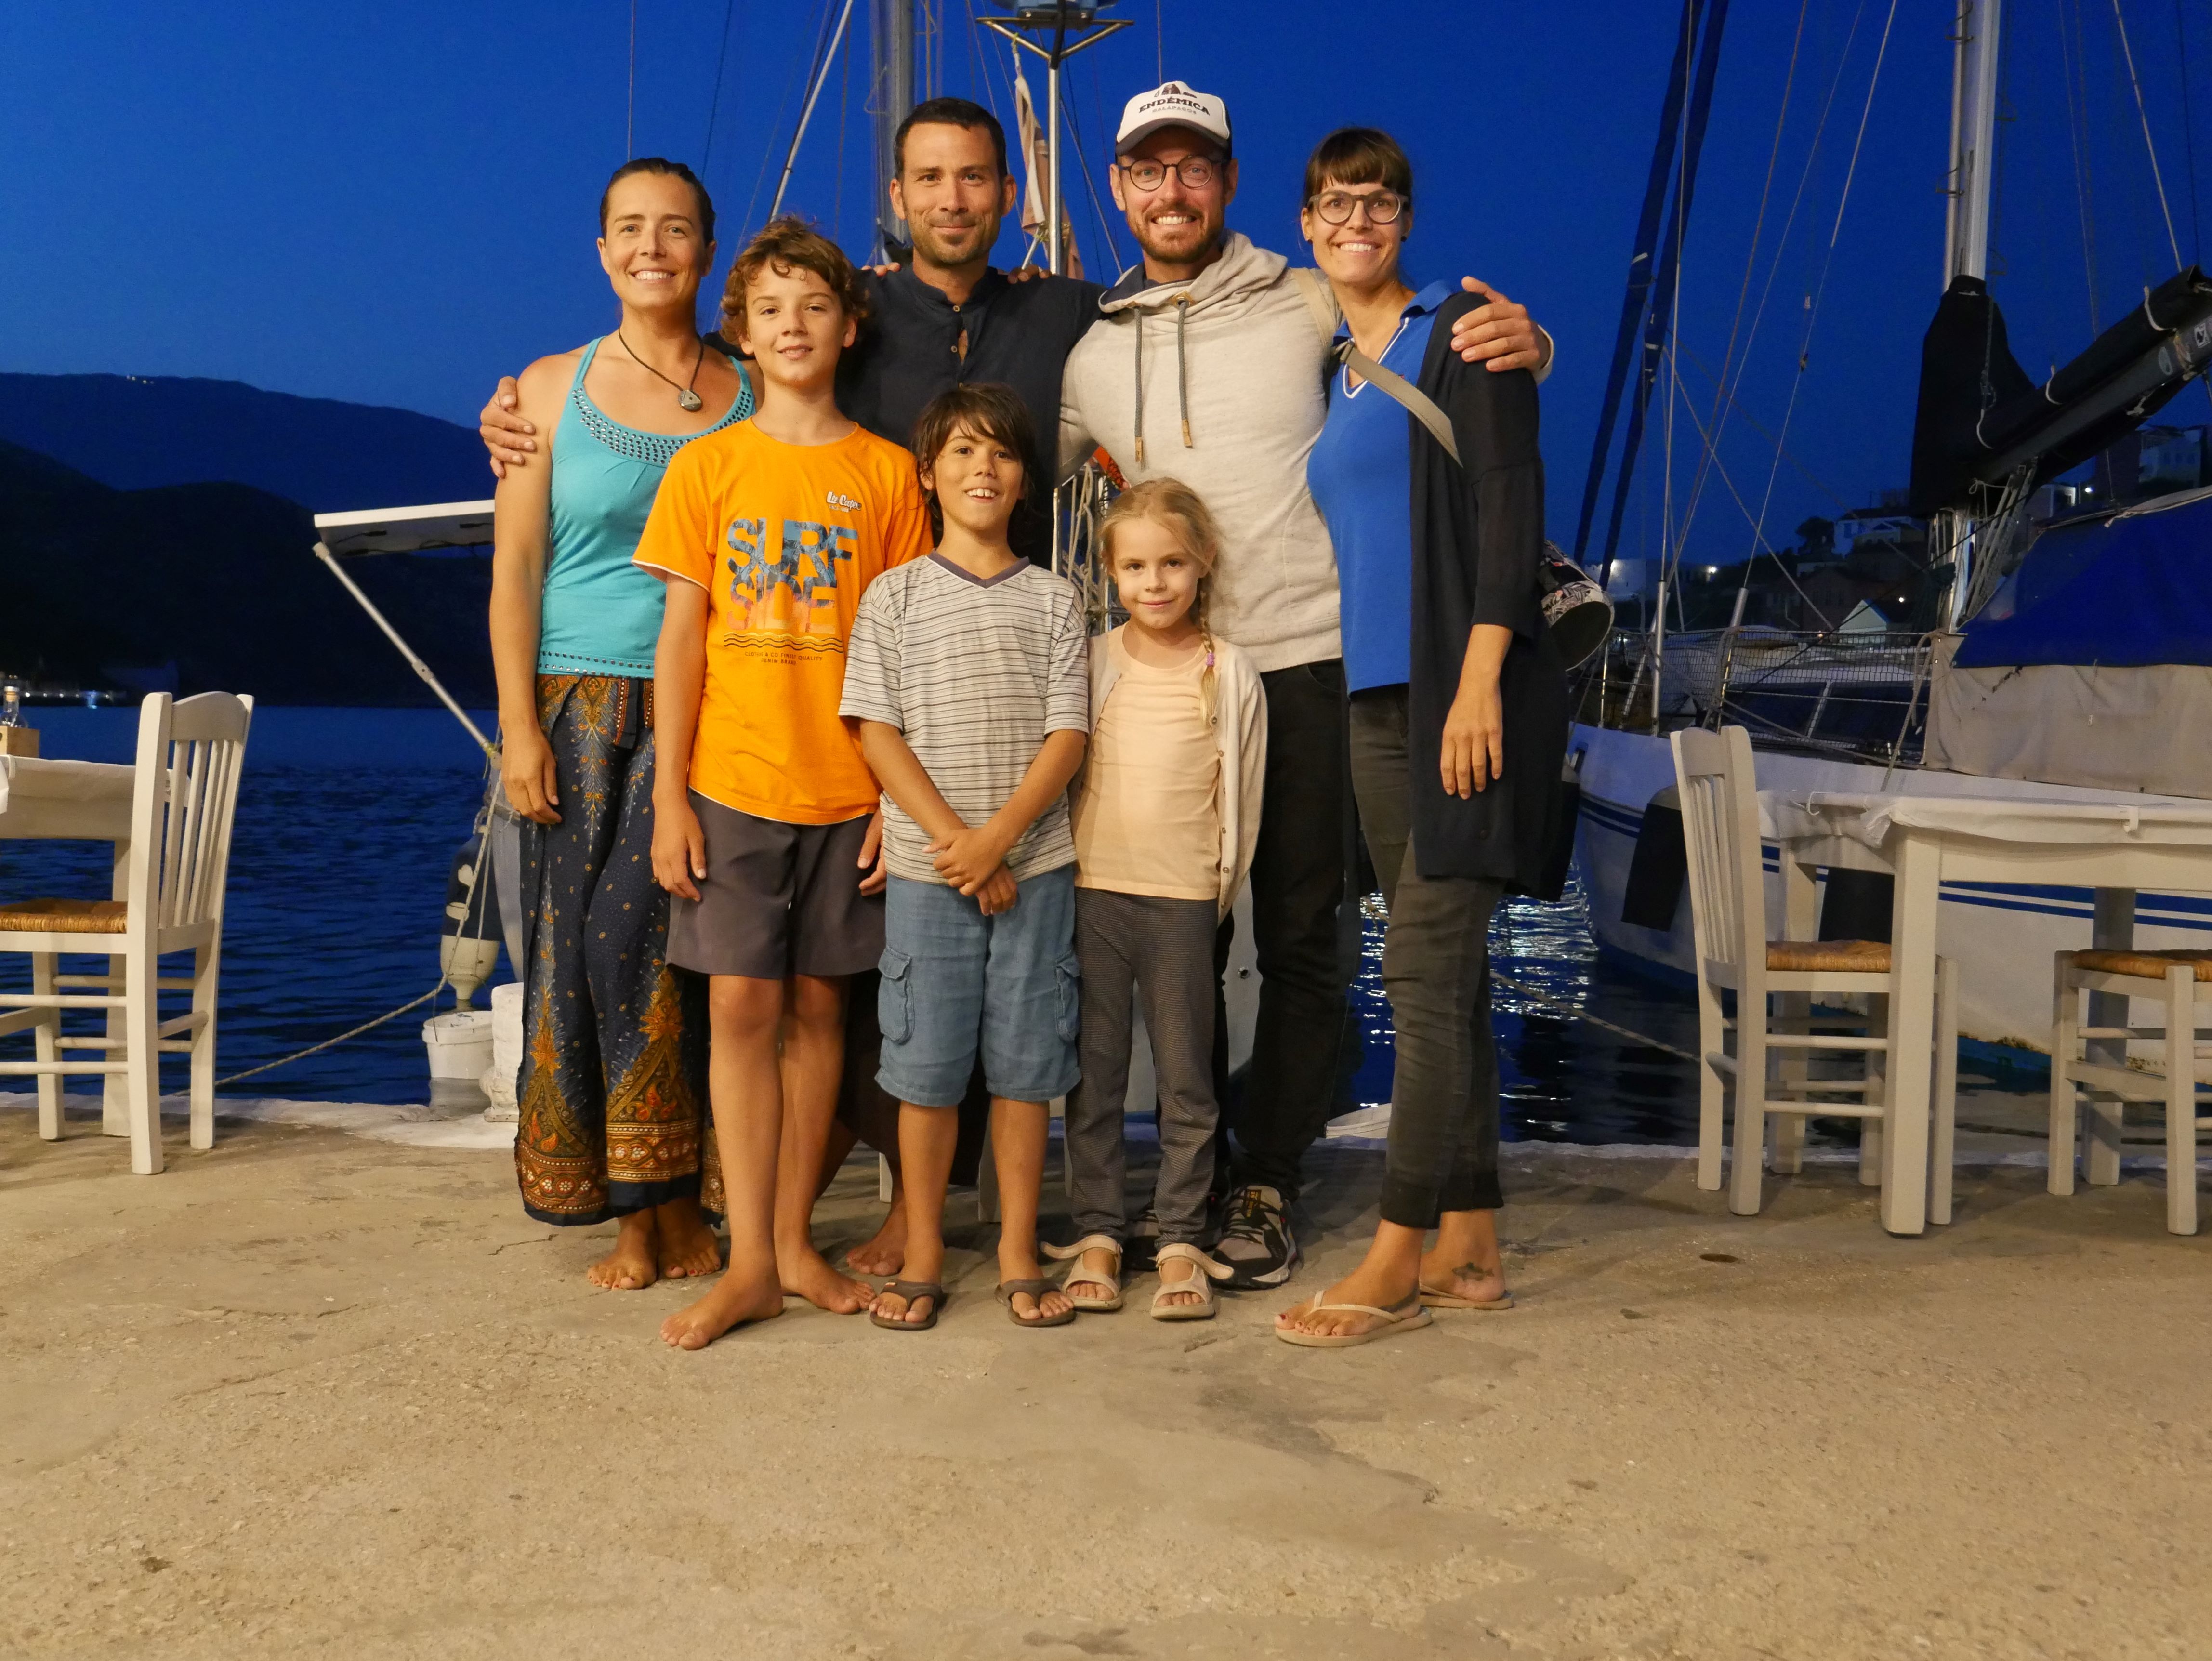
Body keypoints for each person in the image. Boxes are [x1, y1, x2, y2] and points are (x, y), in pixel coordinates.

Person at [1057, 81, 1554, 1293]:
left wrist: (1533, 344)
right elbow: (991, 464)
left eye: (1194, 167)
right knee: (1183, 938)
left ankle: (1266, 1177)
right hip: (1177, 680)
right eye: (1147, 169)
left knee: (1303, 942)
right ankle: (1177, 1183)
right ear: (1119, 187)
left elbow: (1431, 336)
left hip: (1317, 663)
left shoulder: (1303, 297)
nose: (1171, 190)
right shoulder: (1088, 352)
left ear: (1229, 184)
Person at [1276, 129, 1567, 1346]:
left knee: (1417, 969)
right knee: (1447, 974)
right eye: (1337, 202)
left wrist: (1481, 680)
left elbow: (1509, 499)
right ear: (1306, 223)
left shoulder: (1463, 331)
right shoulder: (1339, 367)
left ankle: (1396, 1252)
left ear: (1406, 217)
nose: (1359, 219)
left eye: (1381, 200)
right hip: (1376, 702)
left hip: (1461, 693)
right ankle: (1474, 1244)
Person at [632, 217, 933, 1349]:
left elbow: (904, 650)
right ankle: (749, 1260)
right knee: (739, 1008)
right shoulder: (707, 466)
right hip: (730, 783)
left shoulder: (887, 472)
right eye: (769, 310)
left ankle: (795, 1244)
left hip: (849, 790)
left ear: (850, 326)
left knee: (819, 1011)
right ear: (742, 335)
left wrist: (899, 799)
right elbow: (680, 641)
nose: (792, 326)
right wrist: (669, 796)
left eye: (814, 306)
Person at [491, 158, 752, 1291]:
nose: (653, 247)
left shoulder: (752, 389)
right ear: (602, 252)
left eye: (676, 228)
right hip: (577, 703)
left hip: (714, 701)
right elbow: (516, 569)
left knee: (653, 936)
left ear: (708, 251)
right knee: (575, 955)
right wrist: (518, 727)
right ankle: (629, 1205)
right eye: (631, 229)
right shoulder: (548, 389)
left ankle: (675, 1202)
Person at [841, 383, 1091, 1331]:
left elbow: (1067, 736)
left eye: (1001, 452)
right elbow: (876, 730)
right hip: (927, 873)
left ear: (1023, 479)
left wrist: (998, 842)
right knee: (926, 1069)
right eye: (961, 451)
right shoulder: (894, 595)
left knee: (1027, 1070)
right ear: (929, 474)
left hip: (1036, 867)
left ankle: (1019, 1248)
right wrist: (957, 843)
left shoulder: (1056, 597)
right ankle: (923, 1252)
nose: (983, 467)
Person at [1048, 480, 1265, 1321]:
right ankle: (1098, 1230)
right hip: (1094, 892)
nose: (1155, 582)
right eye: (1136, 566)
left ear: (1203, 563)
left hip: (1181, 901)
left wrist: (1213, 894)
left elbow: (1243, 796)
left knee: (1186, 1078)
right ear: (1111, 572)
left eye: (1172, 563)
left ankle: (1179, 1236)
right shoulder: (1092, 660)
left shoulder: (1229, 671)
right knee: (1095, 1074)